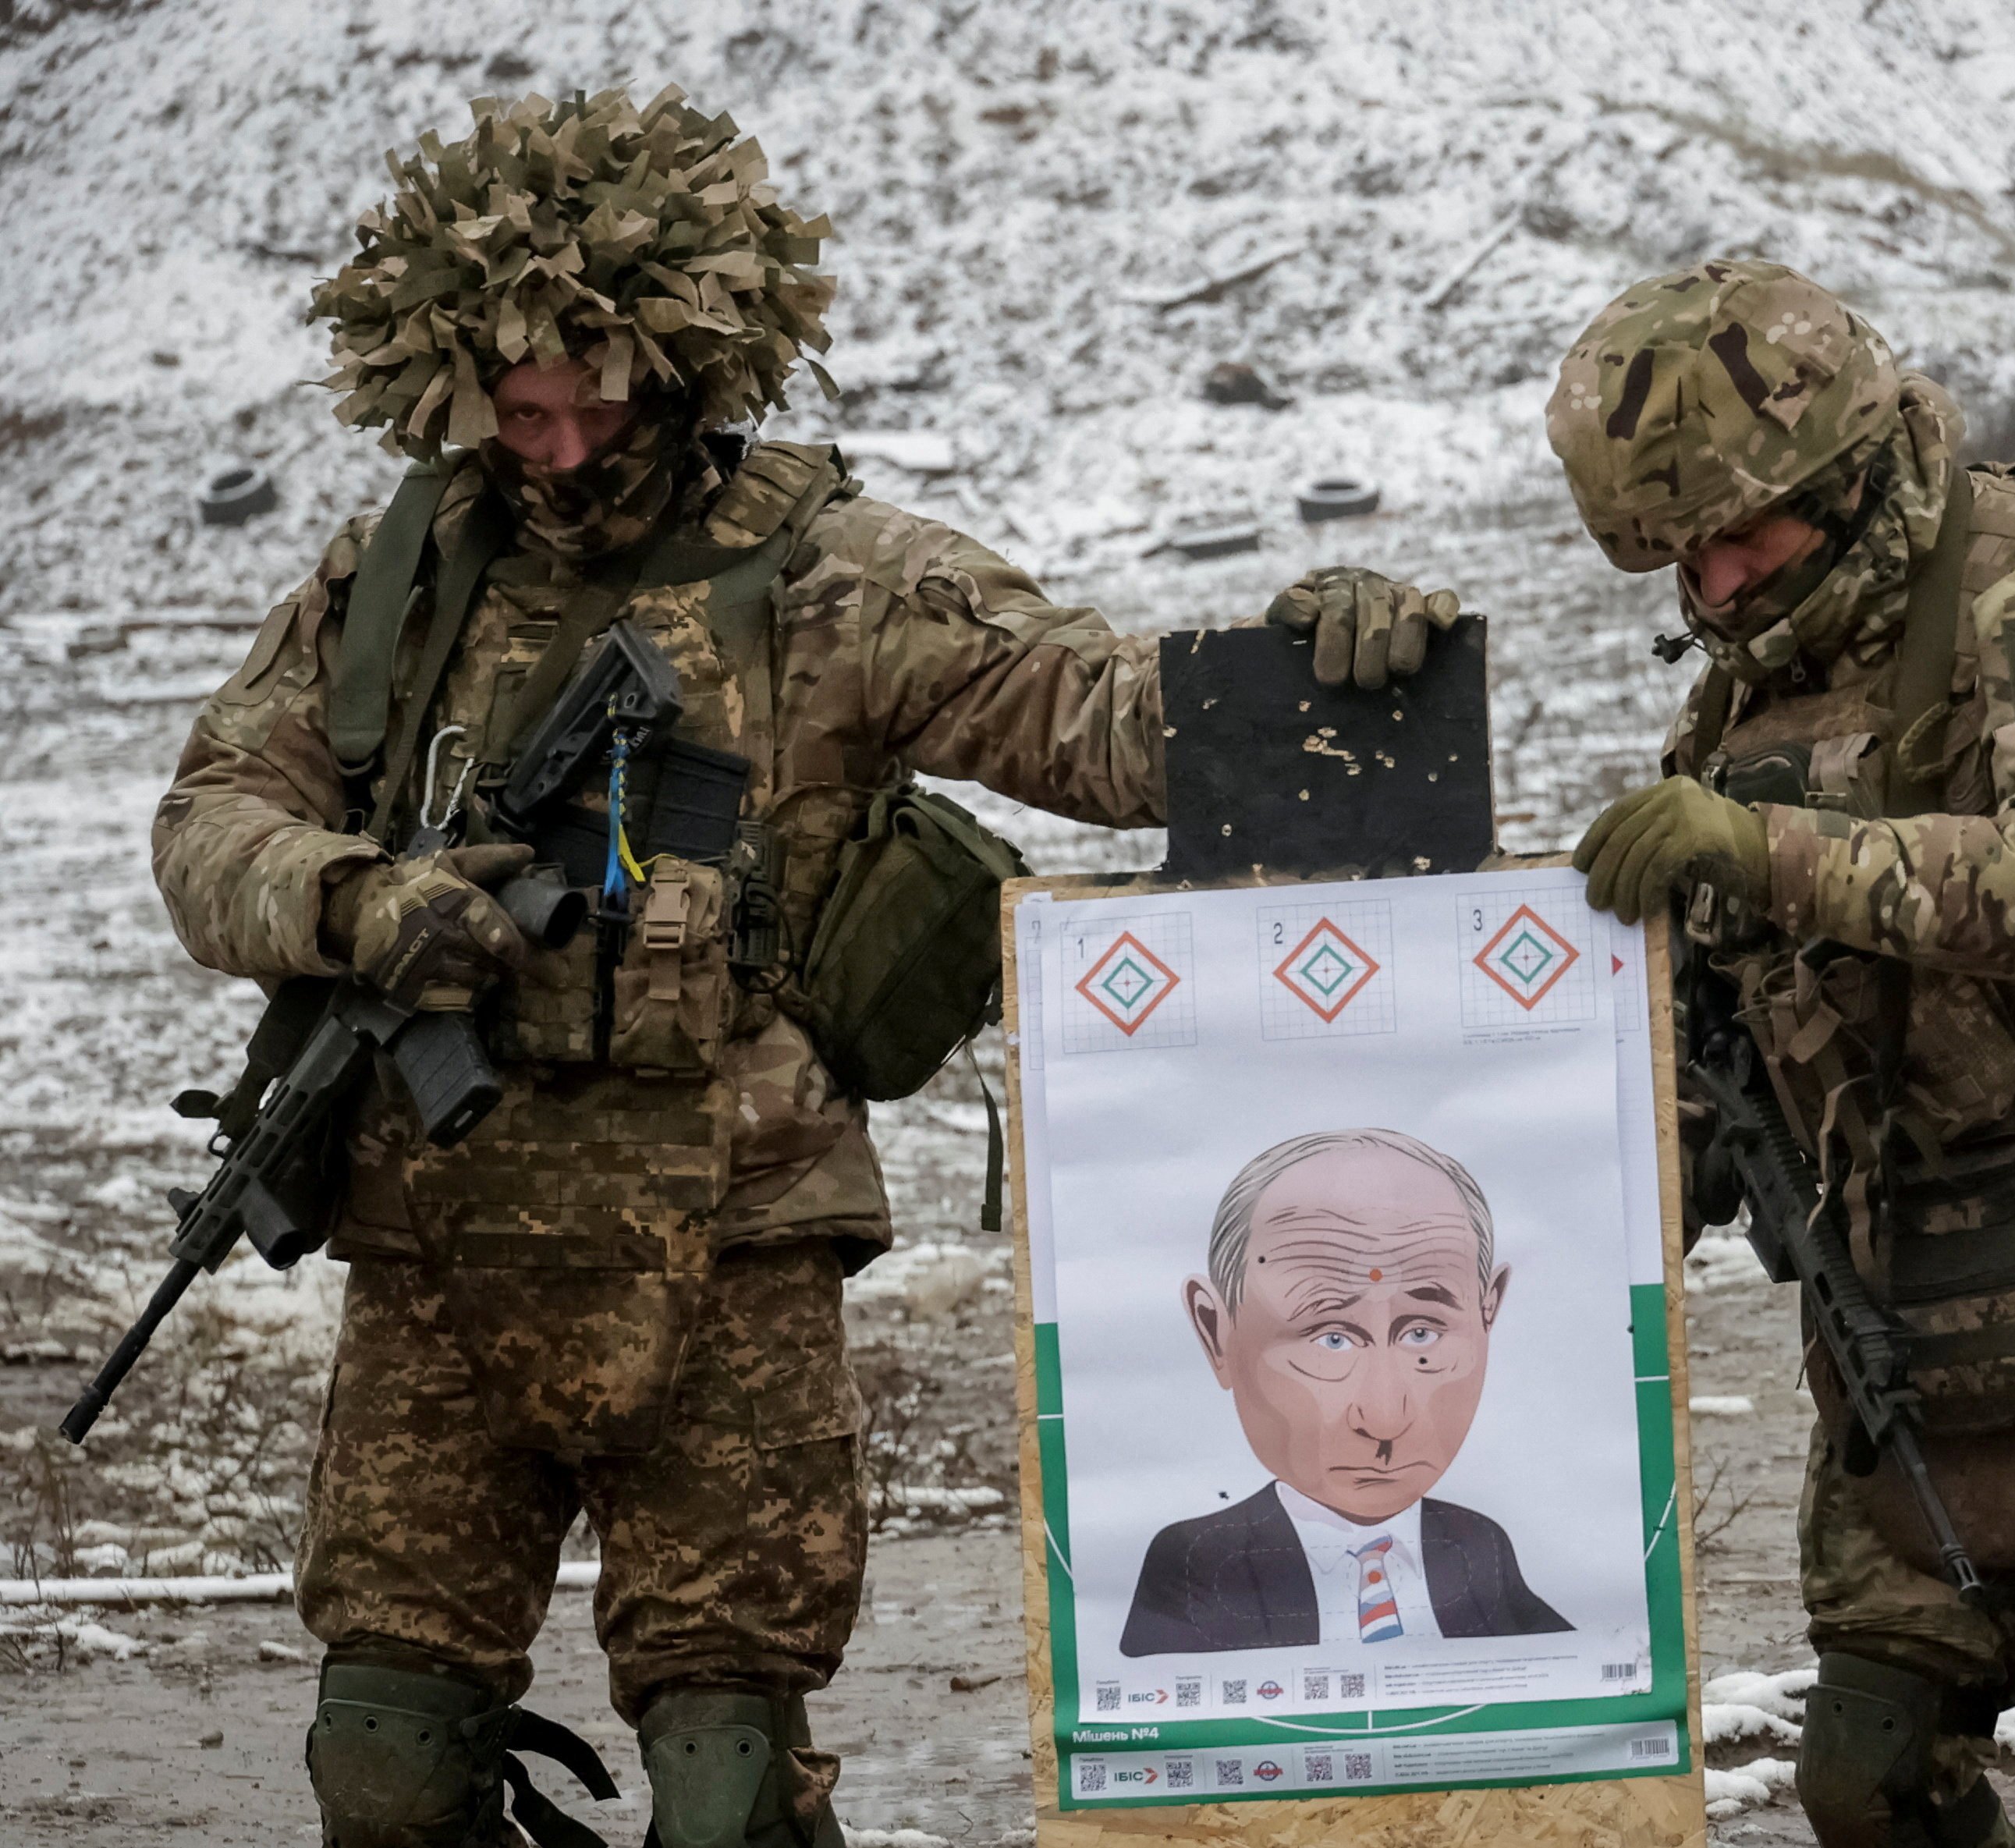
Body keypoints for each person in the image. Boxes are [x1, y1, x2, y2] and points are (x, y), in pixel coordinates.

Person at [154, 87, 1456, 1848]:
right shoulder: (389, 585)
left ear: (685, 367)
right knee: (380, 1759)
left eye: (590, 405)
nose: (551, 451)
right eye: (514, 413)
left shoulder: (839, 576)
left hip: (733, 1259)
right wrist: (349, 897)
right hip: (437, 1258)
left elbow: (1095, 709)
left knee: (725, 1773)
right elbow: (215, 811)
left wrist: (1317, 667)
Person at [1552, 260, 2015, 1848]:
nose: (1725, 580)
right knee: (1871, 1776)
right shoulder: (1739, 705)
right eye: (1684, 555)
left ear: (1855, 466)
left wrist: (1770, 853)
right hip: (1940, 1275)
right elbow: (1729, 1039)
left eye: (1749, 532)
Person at [1121, 1129, 1569, 1655]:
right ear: (1217, 1332)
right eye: (1331, 1338)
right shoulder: (1197, 1563)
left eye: (1421, 1333)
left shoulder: (1479, 1545)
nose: (1384, 1418)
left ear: (1487, 1312)